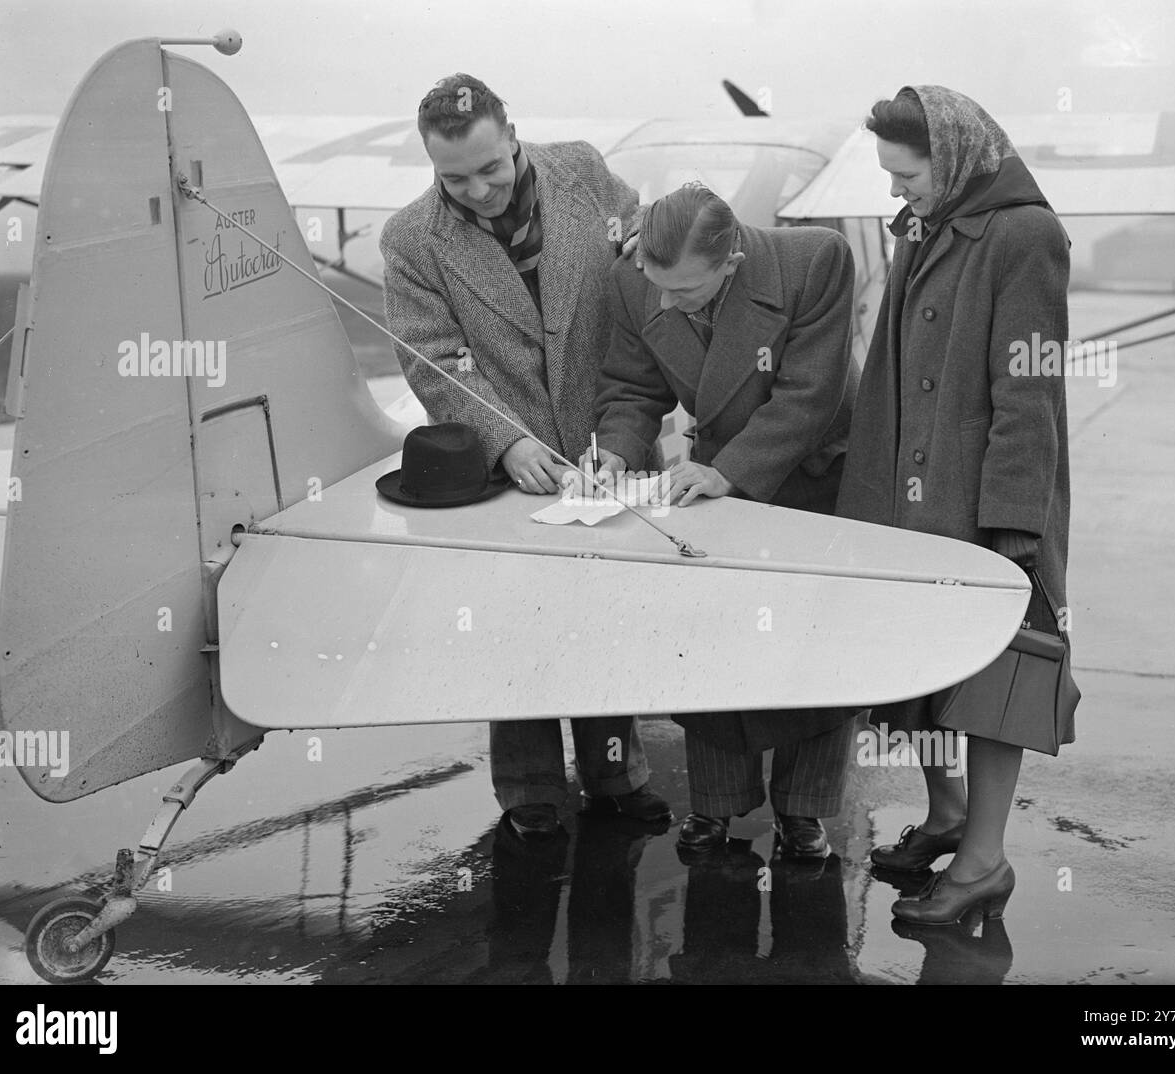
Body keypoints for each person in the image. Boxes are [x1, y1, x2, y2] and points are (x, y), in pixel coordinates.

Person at [380, 74, 669, 839]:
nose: (476, 190)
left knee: (610, 616)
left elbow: (641, 238)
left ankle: (617, 775)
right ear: (430, 163)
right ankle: (532, 792)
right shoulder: (411, 240)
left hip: (612, 434)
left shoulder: (584, 169)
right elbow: (432, 357)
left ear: (513, 137)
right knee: (515, 621)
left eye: (490, 168)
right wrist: (505, 441)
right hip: (510, 461)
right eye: (454, 177)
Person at [836, 86, 1074, 922]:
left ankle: (982, 864)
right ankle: (945, 815)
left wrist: (1014, 528)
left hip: (982, 504)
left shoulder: (1027, 235)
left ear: (957, 158)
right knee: (922, 666)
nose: (896, 192)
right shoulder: (925, 224)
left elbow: (1030, 385)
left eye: (907, 176)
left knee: (998, 675)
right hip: (909, 491)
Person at [589, 182, 861, 859]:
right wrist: (614, 455)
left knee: (816, 652)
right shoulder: (635, 280)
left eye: (685, 293)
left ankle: (804, 812)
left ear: (732, 263)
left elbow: (811, 394)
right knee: (710, 643)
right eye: (657, 287)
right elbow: (631, 388)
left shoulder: (816, 262)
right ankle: (714, 808)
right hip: (712, 483)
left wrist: (728, 471)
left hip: (811, 478)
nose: (665, 303)